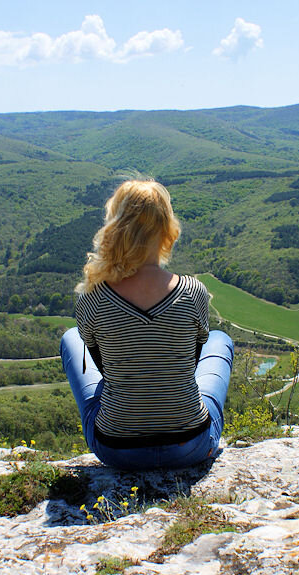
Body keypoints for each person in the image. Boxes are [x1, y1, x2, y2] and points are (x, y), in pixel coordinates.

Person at [60, 179, 234, 470]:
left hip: (117, 449)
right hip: (190, 445)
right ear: (168, 228)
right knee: (219, 340)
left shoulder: (94, 297)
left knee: (70, 338)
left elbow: (102, 366)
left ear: (115, 228)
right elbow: (189, 364)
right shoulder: (193, 292)